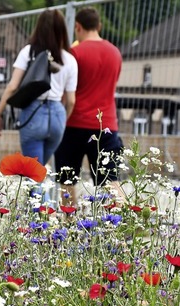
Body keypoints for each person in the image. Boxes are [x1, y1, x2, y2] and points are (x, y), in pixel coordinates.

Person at [53, 6, 123, 205]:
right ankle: (124, 226)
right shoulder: (115, 53)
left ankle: (69, 229)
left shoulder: (73, 53)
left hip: (74, 123)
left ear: (77, 27)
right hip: (106, 125)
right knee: (110, 181)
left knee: (67, 180)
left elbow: (67, 92)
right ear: (99, 26)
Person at [0, 9, 77, 166]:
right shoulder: (70, 60)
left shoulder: (28, 52)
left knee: (33, 174)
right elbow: (71, 101)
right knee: (40, 170)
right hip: (58, 115)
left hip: (34, 113)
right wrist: (62, 121)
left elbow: (12, 87)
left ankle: (37, 191)